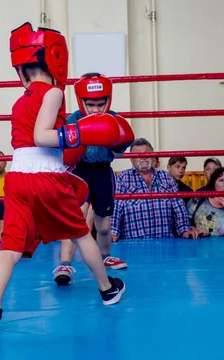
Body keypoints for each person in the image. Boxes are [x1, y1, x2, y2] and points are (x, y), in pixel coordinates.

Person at [0, 22, 130, 334]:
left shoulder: (20, 100)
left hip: (17, 179)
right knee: (82, 235)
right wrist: (80, 131)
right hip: (46, 178)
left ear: (21, 68)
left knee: (10, 248)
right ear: (56, 60)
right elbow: (41, 137)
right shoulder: (55, 92)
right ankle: (107, 288)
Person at [53, 73, 132, 286]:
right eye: (91, 104)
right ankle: (64, 263)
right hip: (79, 171)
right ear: (81, 102)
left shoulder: (114, 118)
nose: (96, 109)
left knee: (104, 225)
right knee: (76, 219)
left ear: (108, 100)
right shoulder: (73, 120)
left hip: (103, 173)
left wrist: (116, 143)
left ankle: (105, 256)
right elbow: (63, 150)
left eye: (100, 103)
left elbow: (118, 154)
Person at [186, 167, 224, 237]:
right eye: (221, 180)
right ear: (214, 183)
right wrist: (194, 230)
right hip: (199, 243)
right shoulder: (199, 198)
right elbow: (185, 221)